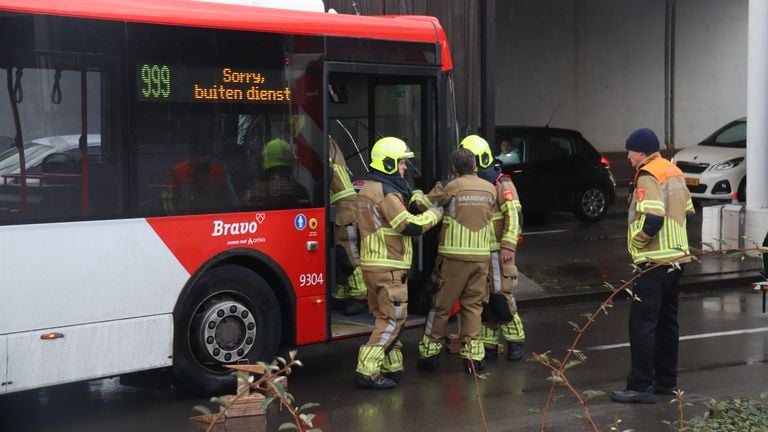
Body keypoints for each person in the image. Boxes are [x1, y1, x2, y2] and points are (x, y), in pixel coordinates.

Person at [610, 128, 695, 404]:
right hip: (677, 260)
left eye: (630, 151)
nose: (628, 156)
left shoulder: (649, 175)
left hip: (654, 262)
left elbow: (654, 219)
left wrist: (638, 242)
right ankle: (666, 382)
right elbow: (689, 213)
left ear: (642, 151)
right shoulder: (673, 171)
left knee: (642, 325)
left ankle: (640, 386)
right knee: (668, 324)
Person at [354, 136, 443, 390]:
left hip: (373, 265)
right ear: (390, 164)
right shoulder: (384, 191)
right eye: (402, 163)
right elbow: (408, 226)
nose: (405, 167)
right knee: (394, 319)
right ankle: (367, 368)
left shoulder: (369, 188)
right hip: (389, 266)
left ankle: (392, 367)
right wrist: (435, 214)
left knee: (384, 317)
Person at [413, 144, 497, 374]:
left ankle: (430, 354)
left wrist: (419, 192)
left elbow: (422, 205)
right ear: (475, 166)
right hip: (481, 258)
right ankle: (474, 358)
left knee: (441, 307)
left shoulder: (451, 187)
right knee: (473, 307)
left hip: (455, 259)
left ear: (454, 168)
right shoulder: (490, 189)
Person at [460, 136, 527, 361]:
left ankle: (516, 341)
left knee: (502, 299)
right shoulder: (474, 183)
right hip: (480, 254)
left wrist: (508, 245)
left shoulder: (501, 183)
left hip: (499, 252)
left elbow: (515, 216)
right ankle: (489, 344)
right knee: (484, 300)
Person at [328, 137, 368, 315]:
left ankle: (361, 296)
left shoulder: (322, 141)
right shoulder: (325, 142)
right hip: (337, 206)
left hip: (345, 207)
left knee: (346, 253)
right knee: (336, 252)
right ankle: (342, 292)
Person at [242, 138, 311, 210]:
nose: (279, 182)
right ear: (291, 166)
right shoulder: (301, 192)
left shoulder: (255, 193)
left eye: (283, 174)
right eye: (274, 175)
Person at [162, 151, 235, 215]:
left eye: (206, 154)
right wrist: (176, 219)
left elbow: (230, 198)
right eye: (200, 154)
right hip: (186, 219)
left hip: (216, 221)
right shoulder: (178, 172)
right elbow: (167, 200)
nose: (203, 158)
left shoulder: (219, 171)